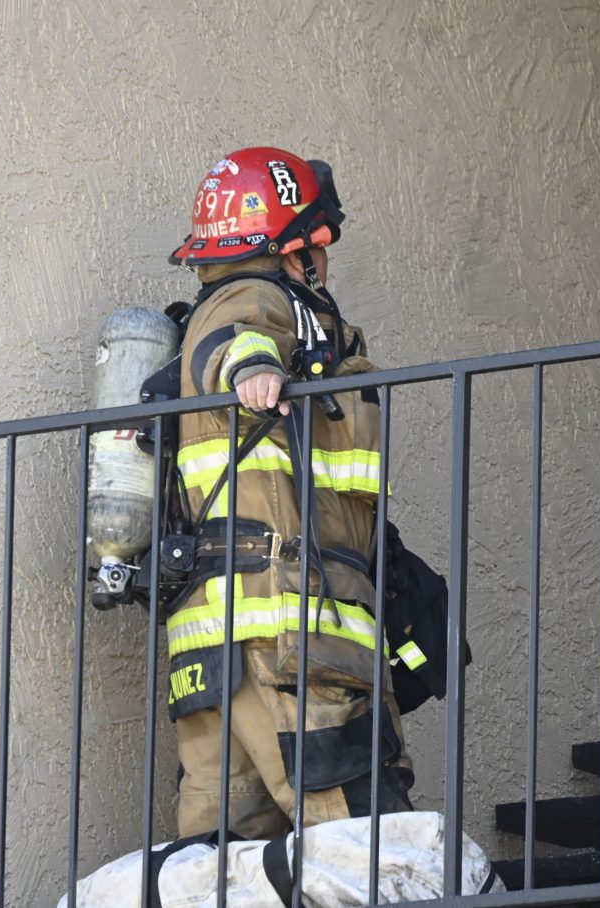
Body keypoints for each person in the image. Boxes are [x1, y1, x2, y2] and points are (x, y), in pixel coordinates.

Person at [165, 147, 414, 840]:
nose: (325, 260)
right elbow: (236, 341)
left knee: (223, 863)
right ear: (293, 249)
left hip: (219, 641)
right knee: (363, 840)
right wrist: (251, 369)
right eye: (319, 243)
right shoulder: (263, 299)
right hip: (289, 630)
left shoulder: (234, 305)